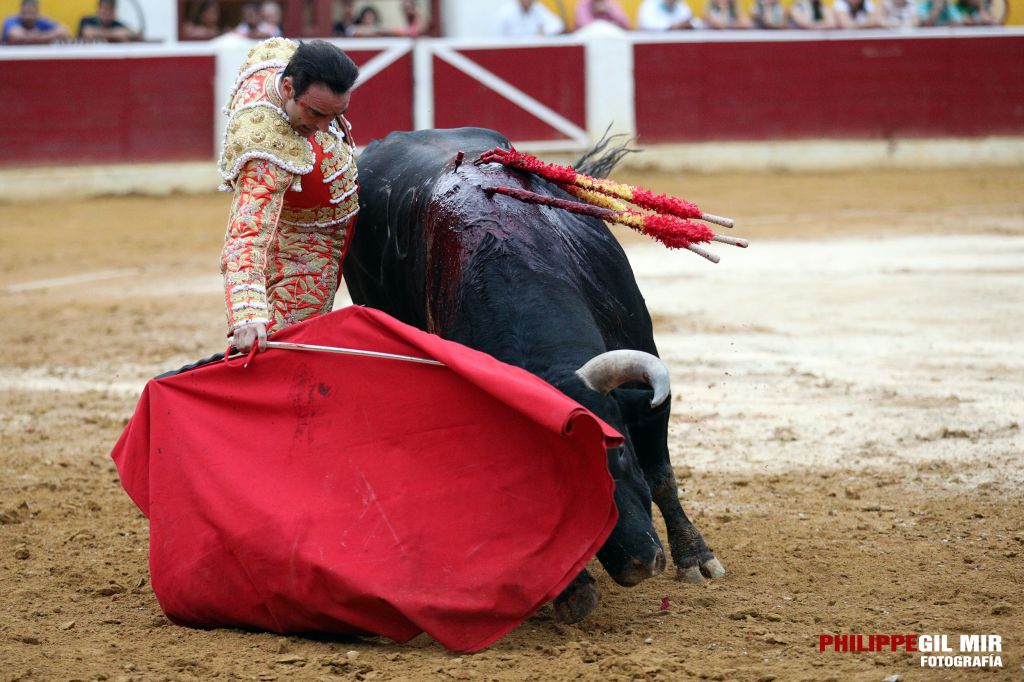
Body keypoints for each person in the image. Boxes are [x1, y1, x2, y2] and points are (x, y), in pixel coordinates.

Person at [218, 38, 360, 353]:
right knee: (290, 351)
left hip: (338, 220)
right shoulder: (266, 147)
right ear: (287, 88)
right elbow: (246, 235)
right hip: (302, 247)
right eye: (316, 113)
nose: (324, 127)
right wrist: (247, 312)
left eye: (336, 115)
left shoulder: (280, 59)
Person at [2, 0, 70, 44]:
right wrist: (42, 36)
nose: (28, 17)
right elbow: (16, 36)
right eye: (25, 13)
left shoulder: (41, 21)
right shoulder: (11, 20)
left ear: (37, 14)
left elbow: (65, 32)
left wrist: (37, 36)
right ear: (20, 13)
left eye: (31, 13)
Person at [496, 0, 565, 37]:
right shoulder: (506, 12)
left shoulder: (538, 9)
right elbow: (498, 36)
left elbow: (558, 24)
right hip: (511, 51)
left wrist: (544, 31)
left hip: (532, 51)